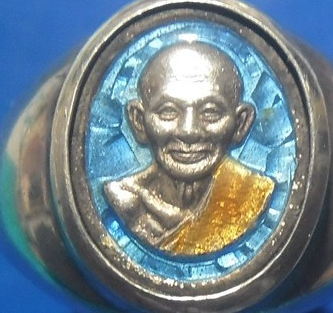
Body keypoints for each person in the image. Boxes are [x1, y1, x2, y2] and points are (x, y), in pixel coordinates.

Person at [104, 42, 274, 255]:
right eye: (168, 111)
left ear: (241, 124)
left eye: (210, 112)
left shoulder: (252, 194)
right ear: (138, 121)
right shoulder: (125, 200)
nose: (189, 131)